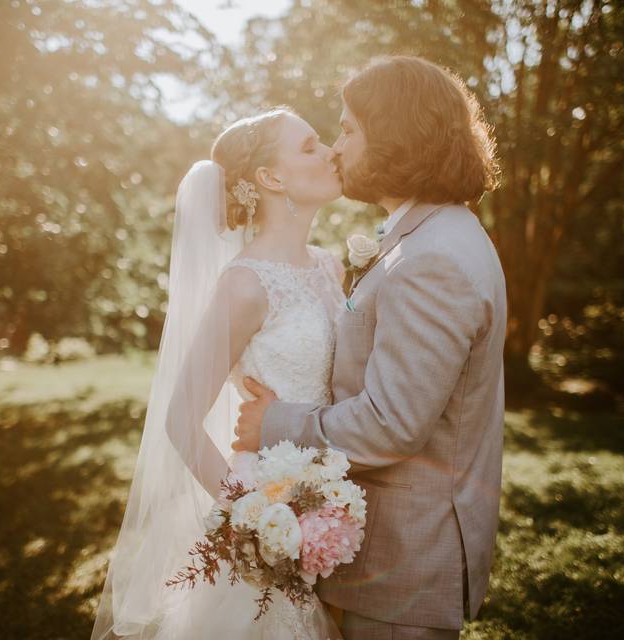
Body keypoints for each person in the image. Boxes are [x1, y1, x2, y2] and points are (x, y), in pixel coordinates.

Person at [233, 55, 506, 640]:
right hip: (384, 560)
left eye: (348, 128)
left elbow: (392, 424)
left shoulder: (433, 258)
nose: (336, 146)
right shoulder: (426, 237)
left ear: (396, 137)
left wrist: (273, 422)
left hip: (403, 566)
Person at [90, 106, 346, 639]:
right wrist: (254, 520)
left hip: (337, 503)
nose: (331, 152)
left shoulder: (330, 266)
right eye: (310, 146)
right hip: (275, 514)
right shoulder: (245, 285)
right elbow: (180, 419)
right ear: (271, 179)